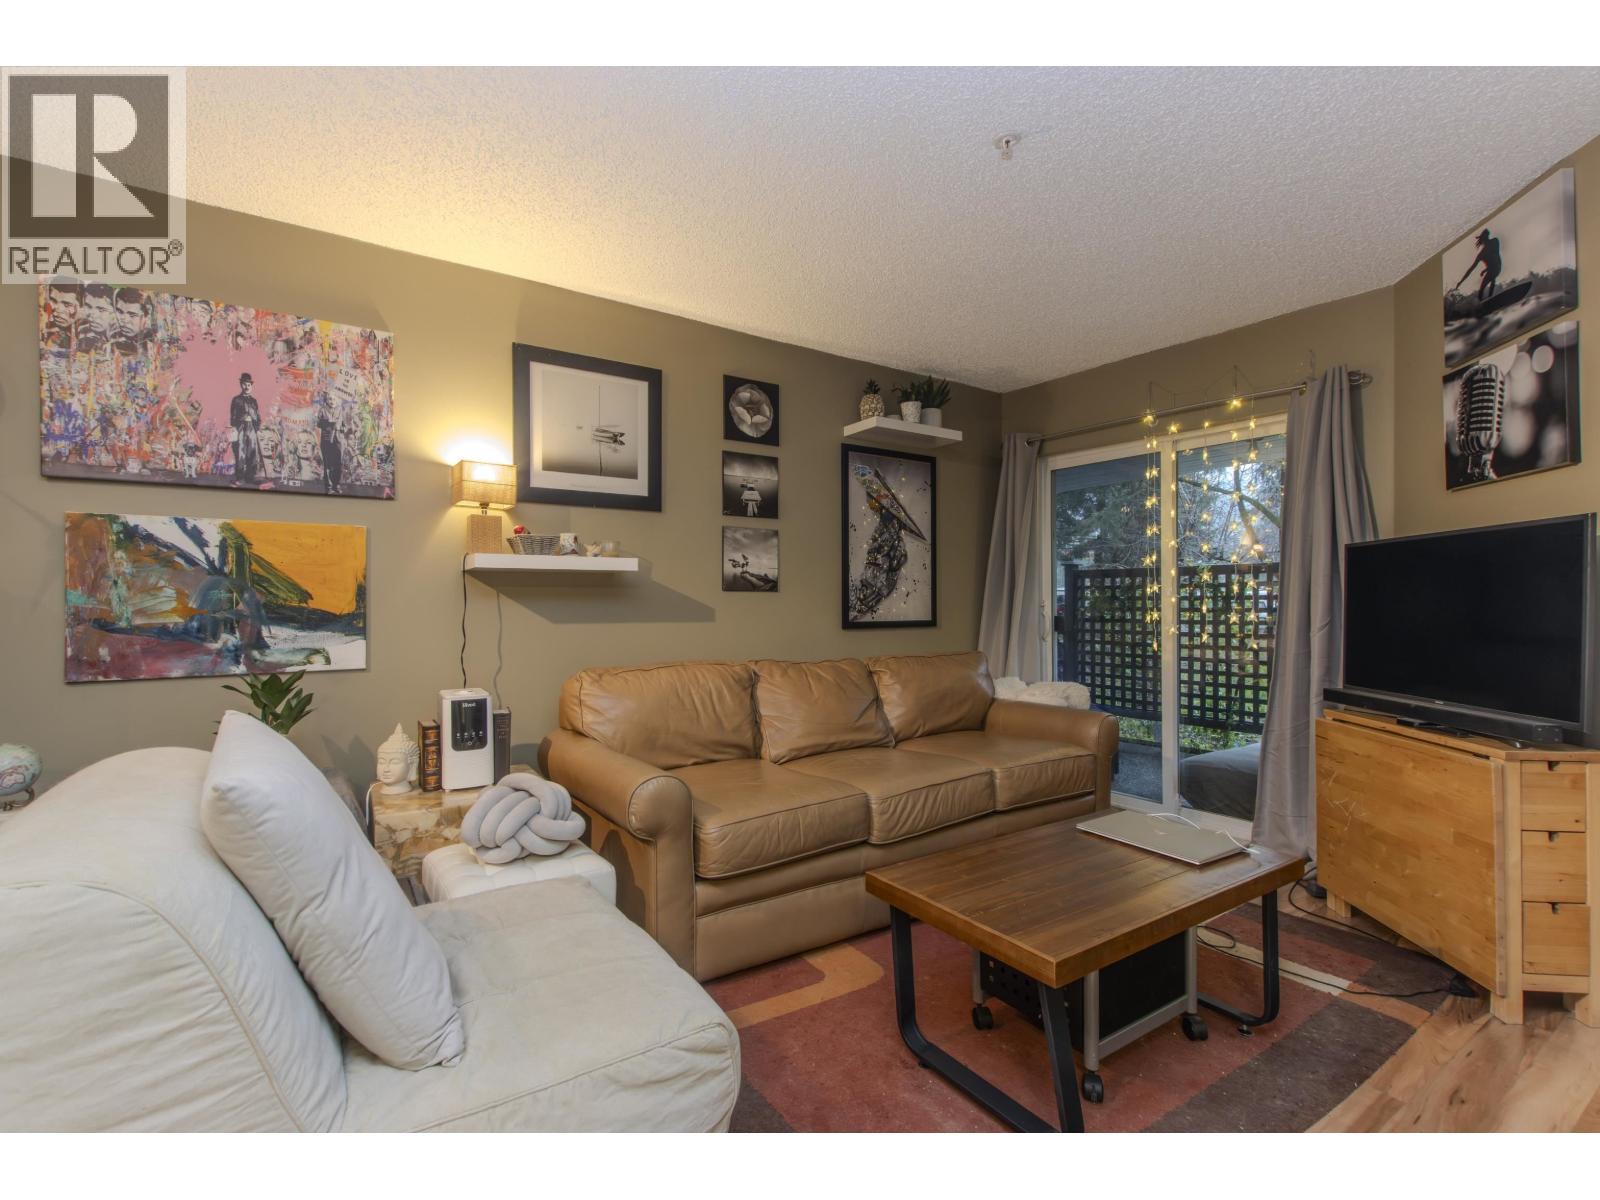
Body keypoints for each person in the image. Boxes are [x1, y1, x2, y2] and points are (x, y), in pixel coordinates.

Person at [229, 372, 263, 485]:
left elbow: (258, 417)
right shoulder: (236, 400)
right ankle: (239, 477)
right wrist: (239, 422)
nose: (247, 387)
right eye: (244, 384)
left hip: (252, 428)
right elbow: (232, 417)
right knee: (240, 452)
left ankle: (251, 477)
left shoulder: (254, 401)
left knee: (252, 452)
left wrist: (257, 428)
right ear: (241, 385)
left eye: (249, 384)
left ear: (251, 386)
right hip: (241, 428)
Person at [1453, 227, 1503, 302]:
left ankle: (1491, 298)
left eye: (1486, 237)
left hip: (1496, 267)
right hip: (1491, 270)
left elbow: (1496, 257)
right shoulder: (1481, 254)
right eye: (1484, 238)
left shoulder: (1495, 241)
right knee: (1481, 290)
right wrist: (1461, 282)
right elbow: (1471, 269)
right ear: (1482, 240)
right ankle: (1483, 303)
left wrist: (1485, 270)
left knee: (1492, 276)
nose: (1485, 240)